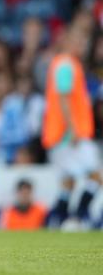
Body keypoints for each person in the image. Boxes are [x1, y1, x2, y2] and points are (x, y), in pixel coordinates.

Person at [43, 29, 101, 229]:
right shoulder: (66, 64)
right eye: (79, 40)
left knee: (68, 181)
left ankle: (58, 220)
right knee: (96, 177)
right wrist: (72, 128)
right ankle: (79, 215)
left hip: (59, 134)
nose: (83, 45)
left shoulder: (63, 64)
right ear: (68, 42)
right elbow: (63, 97)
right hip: (70, 134)